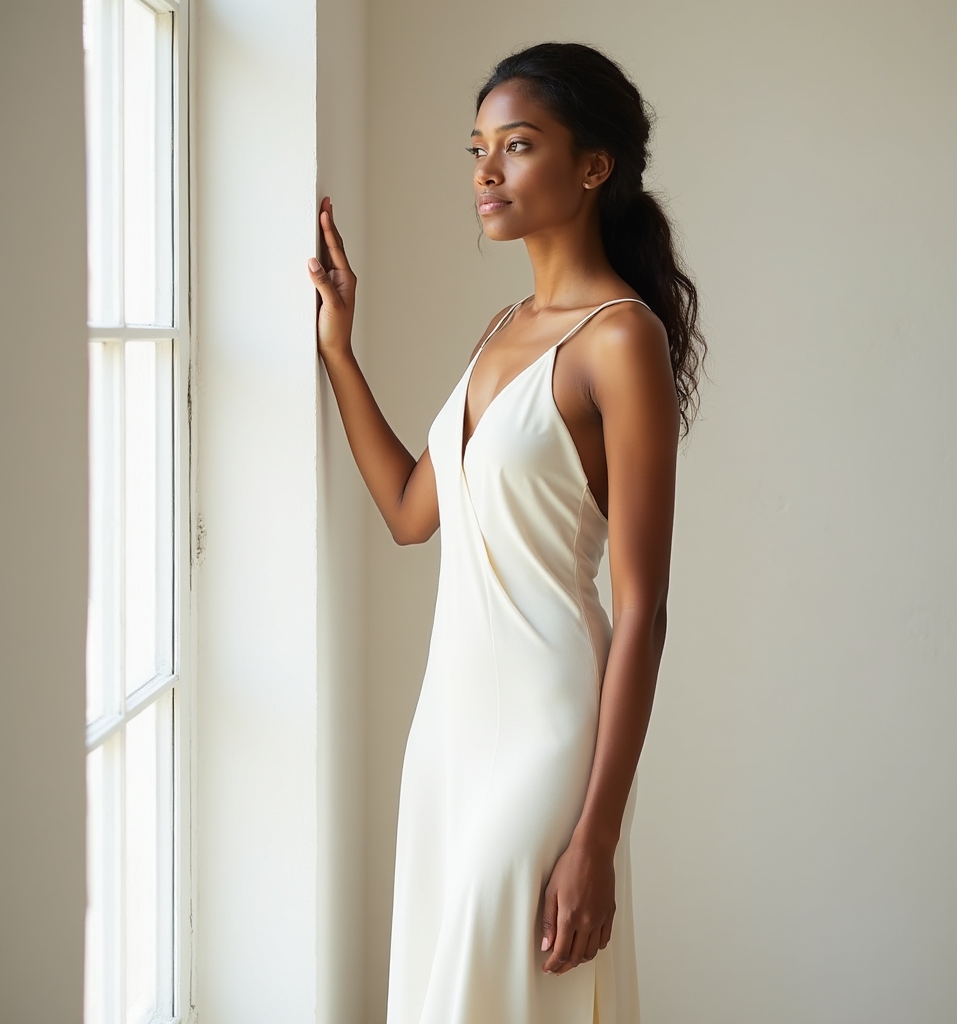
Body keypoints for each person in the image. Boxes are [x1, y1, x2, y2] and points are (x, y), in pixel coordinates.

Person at [307, 39, 706, 1024]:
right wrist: (339, 351)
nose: (486, 170)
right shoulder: (502, 327)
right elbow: (411, 510)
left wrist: (596, 838)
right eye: (478, 148)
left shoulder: (622, 339)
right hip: (449, 728)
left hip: (550, 730)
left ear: (593, 165)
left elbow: (644, 610)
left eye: (518, 145)